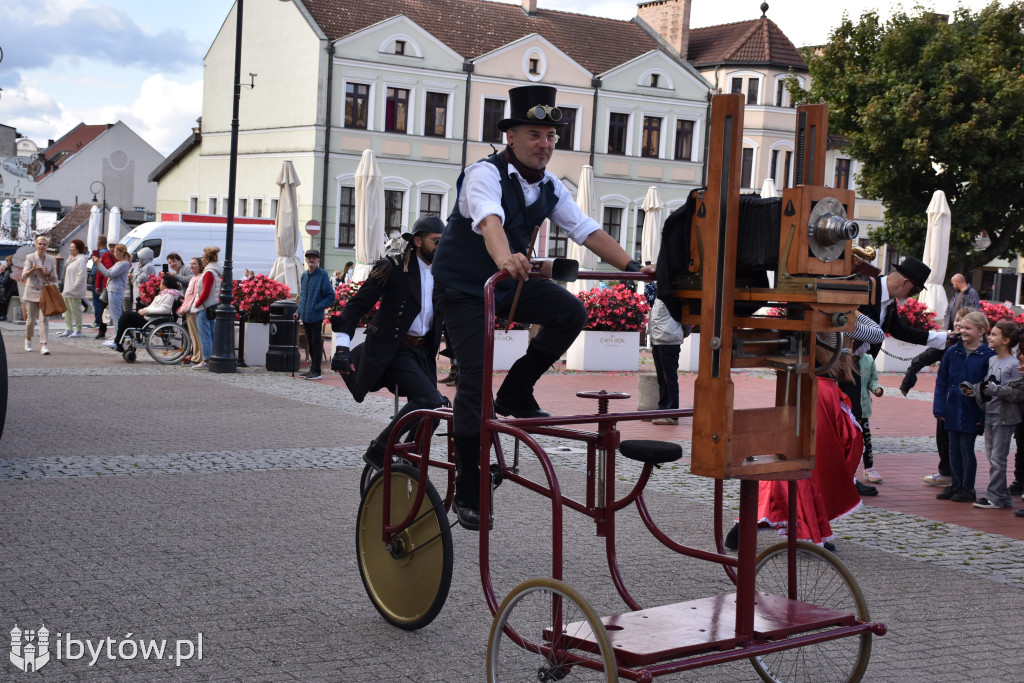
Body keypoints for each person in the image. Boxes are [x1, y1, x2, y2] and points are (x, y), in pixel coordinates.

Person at [430, 84, 656, 530]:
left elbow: (586, 230)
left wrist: (634, 268)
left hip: (507, 283)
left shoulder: (550, 186)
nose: (545, 145)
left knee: (570, 312)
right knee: (475, 378)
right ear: (511, 136)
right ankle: (469, 488)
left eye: (551, 136)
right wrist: (503, 258)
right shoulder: (484, 174)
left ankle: (516, 390)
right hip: (464, 287)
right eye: (534, 134)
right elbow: (489, 220)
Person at [331, 215, 447, 466]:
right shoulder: (393, 267)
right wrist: (341, 345)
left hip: (423, 352)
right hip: (395, 347)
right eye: (436, 241)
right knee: (429, 401)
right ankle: (380, 448)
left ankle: (411, 464)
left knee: (436, 411)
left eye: (444, 241)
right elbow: (357, 305)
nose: (441, 247)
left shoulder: (444, 272)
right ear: (417, 241)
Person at [933, 310, 993, 503]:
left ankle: (968, 487)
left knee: (966, 448)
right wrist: (939, 407)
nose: (963, 330)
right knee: (952, 448)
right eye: (962, 327)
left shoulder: (987, 356)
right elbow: (941, 381)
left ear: (981, 331)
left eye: (968, 328)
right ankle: (956, 484)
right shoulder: (952, 352)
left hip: (972, 409)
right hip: (952, 409)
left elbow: (989, 386)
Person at [905, 308, 969, 487]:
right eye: (957, 320)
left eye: (963, 322)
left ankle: (960, 477)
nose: (958, 324)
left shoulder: (979, 349)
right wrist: (908, 378)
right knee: (944, 437)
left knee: (962, 441)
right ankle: (947, 473)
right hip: (948, 399)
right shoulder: (948, 345)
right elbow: (922, 360)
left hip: (967, 400)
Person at [965, 320, 1022, 509]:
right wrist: (974, 390)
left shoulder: (1014, 364)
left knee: (998, 459)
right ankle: (1003, 495)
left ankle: (994, 496)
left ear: (1006, 340)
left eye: (995, 334)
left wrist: (996, 390)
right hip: (990, 414)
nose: (989, 337)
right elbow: (988, 386)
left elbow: (1018, 393)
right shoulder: (992, 360)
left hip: (1005, 418)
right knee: (992, 457)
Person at [104, 273, 183, 353]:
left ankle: (117, 342)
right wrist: (144, 310)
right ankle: (119, 341)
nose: (160, 284)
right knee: (127, 315)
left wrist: (146, 311)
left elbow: (165, 310)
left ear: (165, 285)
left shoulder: (170, 295)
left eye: (161, 283)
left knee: (126, 316)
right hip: (151, 317)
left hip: (154, 320)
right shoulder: (163, 295)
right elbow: (152, 306)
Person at [646, 282, 688, 425]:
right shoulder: (657, 294)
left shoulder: (672, 295)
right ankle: (662, 409)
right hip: (658, 338)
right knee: (661, 378)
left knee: (669, 378)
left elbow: (683, 317)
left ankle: (672, 414)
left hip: (669, 339)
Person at [295, 249, 336, 380]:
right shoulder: (304, 276)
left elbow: (331, 296)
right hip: (306, 317)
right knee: (310, 344)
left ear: (318, 260)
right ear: (306, 260)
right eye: (309, 258)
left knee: (316, 344)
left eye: (314, 258)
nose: (311, 260)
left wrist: (316, 307)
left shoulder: (322, 275)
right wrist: (298, 312)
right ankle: (312, 369)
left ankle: (317, 371)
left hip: (316, 317)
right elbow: (302, 297)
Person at [22, 235, 58, 355]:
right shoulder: (30, 257)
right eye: (40, 244)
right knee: (30, 320)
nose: (42, 246)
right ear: (36, 245)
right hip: (31, 291)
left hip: (45, 292)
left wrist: (48, 273)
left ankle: (44, 344)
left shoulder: (51, 259)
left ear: (47, 246)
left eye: (44, 244)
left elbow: (55, 278)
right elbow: (24, 276)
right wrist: (33, 270)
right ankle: (28, 339)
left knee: (44, 320)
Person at [191, 246, 223, 370]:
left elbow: (205, 293)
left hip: (205, 307)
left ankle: (206, 359)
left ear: (206, 259)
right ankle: (211, 358)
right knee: (211, 333)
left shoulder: (209, 272)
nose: (202, 260)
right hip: (211, 306)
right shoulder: (214, 271)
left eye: (203, 257)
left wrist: (196, 305)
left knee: (205, 334)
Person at [93, 244, 131, 335]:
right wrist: (100, 264)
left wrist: (98, 264)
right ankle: (117, 334)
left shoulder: (123, 264)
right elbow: (108, 271)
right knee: (114, 314)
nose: (114, 253)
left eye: (115, 251)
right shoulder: (119, 263)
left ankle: (118, 336)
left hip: (115, 291)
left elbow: (109, 274)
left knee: (116, 315)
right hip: (112, 290)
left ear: (121, 253)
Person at [858, 351, 884, 483]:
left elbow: (872, 380)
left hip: (863, 408)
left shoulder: (868, 359)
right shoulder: (842, 356)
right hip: (846, 406)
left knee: (866, 439)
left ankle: (869, 468)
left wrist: (877, 388)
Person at [58, 239, 89, 338]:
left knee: (75, 310)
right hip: (67, 289)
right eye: (70, 247)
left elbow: (81, 276)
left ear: (78, 249)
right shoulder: (70, 258)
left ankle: (78, 330)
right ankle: (68, 328)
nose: (70, 249)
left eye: (73, 248)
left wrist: (74, 287)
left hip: (74, 291)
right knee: (66, 310)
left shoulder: (80, 260)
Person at [178, 257, 203, 365]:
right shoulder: (193, 278)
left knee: (196, 335)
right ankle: (196, 356)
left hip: (193, 309)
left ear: (200, 265)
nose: (191, 266)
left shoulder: (199, 278)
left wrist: (186, 307)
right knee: (193, 335)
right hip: (189, 309)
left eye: (194, 264)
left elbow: (194, 296)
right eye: (190, 263)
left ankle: (198, 357)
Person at [91, 235, 114, 338]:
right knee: (103, 309)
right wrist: (97, 285)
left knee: (116, 310)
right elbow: (100, 272)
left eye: (115, 246)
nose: (113, 248)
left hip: (116, 288)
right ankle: (102, 331)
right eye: (111, 246)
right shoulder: (105, 255)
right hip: (105, 287)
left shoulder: (121, 257)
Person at [128, 247, 157, 313]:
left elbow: (140, 279)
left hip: (142, 296)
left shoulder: (148, 266)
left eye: (140, 258)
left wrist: (136, 270)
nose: (139, 260)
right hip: (140, 295)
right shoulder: (145, 266)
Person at [0, 256, 18, 320]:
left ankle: (3, 315)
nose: (6, 263)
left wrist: (2, 274)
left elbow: (5, 282)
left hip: (8, 290)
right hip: (13, 290)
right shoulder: (15, 269)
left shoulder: (8, 269)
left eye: (7, 261)